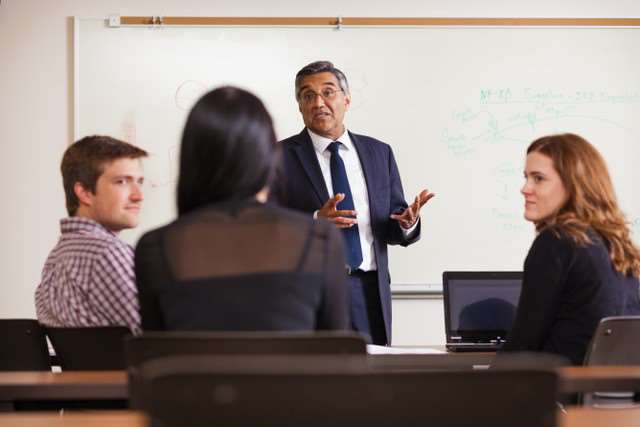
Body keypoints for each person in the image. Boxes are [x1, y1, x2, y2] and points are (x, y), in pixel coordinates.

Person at [134, 86, 350, 332]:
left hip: (197, 372)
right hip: (291, 372)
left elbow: (154, 358)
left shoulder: (155, 247)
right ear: (268, 156)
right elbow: (335, 355)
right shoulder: (318, 240)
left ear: (191, 158)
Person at [274, 60, 434, 345]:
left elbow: (392, 224)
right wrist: (314, 222)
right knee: (316, 382)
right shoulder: (278, 157)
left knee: (372, 382)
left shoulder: (379, 153)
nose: (318, 102)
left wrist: (407, 223)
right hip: (310, 292)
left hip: (368, 290)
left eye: (328, 92)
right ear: (299, 105)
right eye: (308, 95)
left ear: (346, 100)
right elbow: (267, 226)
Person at [501, 133, 640, 365]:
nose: (525, 188)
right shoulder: (619, 245)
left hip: (560, 393)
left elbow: (522, 345)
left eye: (538, 178)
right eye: (526, 177)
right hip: (616, 394)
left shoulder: (556, 241)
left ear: (574, 184)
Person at [35, 135, 147, 333]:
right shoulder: (107, 253)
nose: (138, 196)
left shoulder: (54, 260)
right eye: (122, 181)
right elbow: (158, 337)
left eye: (140, 182)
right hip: (127, 364)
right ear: (84, 192)